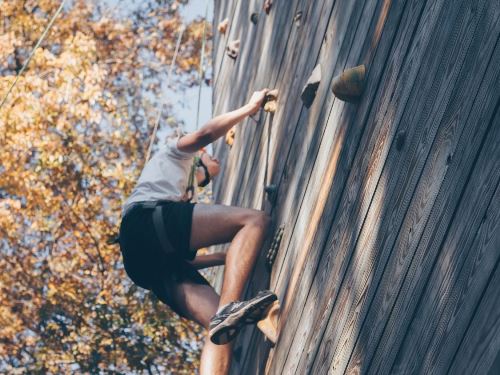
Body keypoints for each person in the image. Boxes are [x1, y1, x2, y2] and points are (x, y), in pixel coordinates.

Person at [118, 88, 278, 374]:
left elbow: (188, 261)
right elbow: (205, 134)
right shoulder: (175, 154)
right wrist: (249, 108)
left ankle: (226, 315)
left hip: (151, 266)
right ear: (199, 158)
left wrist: (228, 257)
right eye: (210, 159)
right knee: (255, 221)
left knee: (220, 327)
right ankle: (230, 309)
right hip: (146, 222)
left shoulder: (176, 199)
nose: (216, 163)